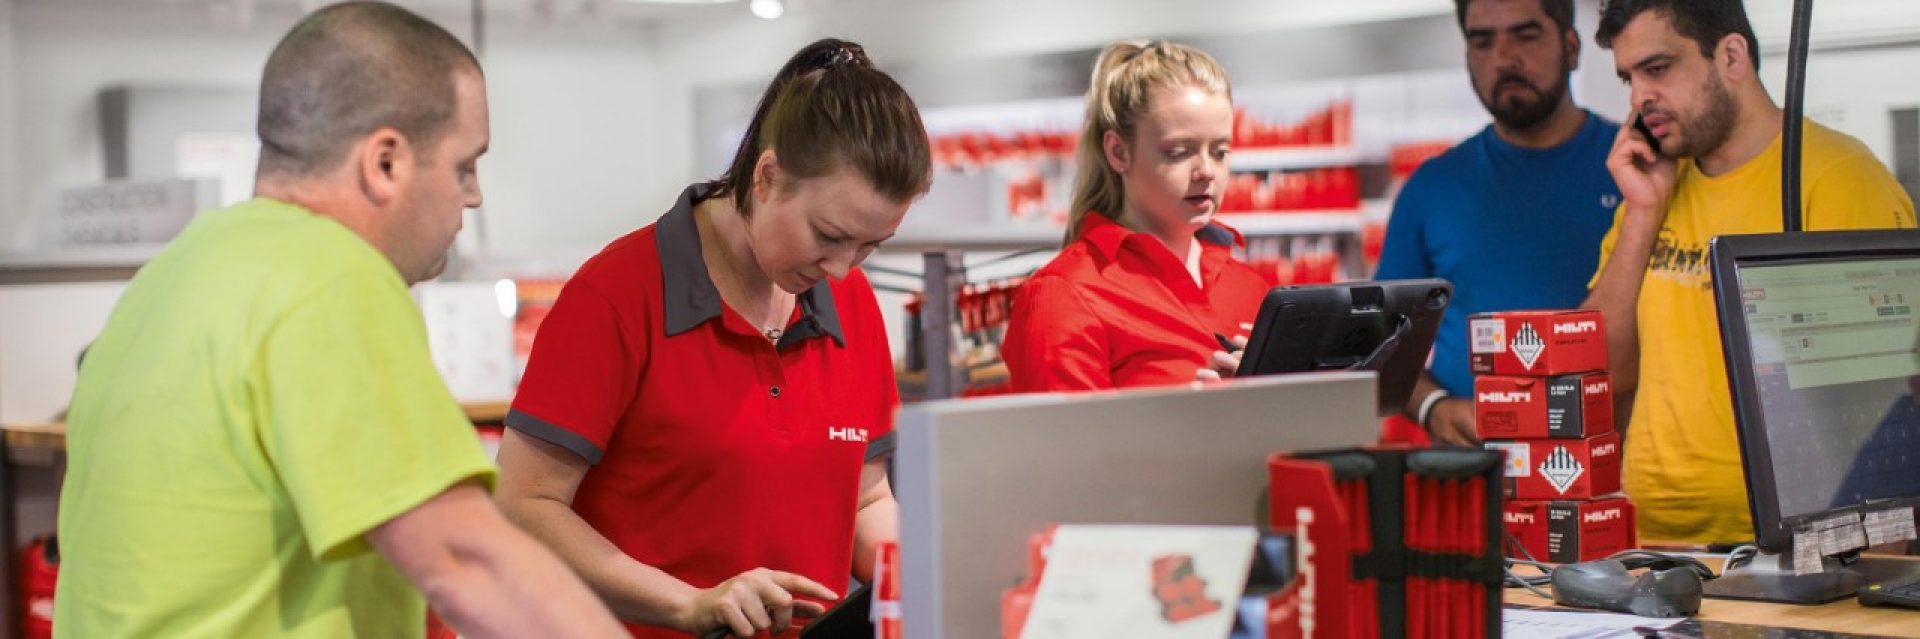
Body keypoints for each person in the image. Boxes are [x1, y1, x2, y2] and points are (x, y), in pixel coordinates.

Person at [53, 3, 624, 638]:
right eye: (465, 164)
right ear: (385, 164)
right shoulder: (329, 277)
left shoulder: (177, 271)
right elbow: (467, 562)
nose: (474, 195)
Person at [494, 39, 925, 638]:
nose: (844, 268)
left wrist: (926, 579)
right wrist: (687, 604)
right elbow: (522, 506)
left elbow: (866, 500)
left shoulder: (849, 303)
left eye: (869, 246)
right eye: (828, 235)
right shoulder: (616, 296)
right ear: (768, 176)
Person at [1587, 0, 1916, 543]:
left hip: (1790, 546)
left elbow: (1892, 407)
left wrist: (1874, 568)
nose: (1638, 97)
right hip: (1654, 544)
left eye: (1658, 69)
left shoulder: (1839, 178)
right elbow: (1600, 372)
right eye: (1629, 78)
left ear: (1732, 56)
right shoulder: (1650, 191)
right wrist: (1644, 212)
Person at [1376, 0, 1622, 446]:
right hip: (1475, 477)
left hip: (1612, 474)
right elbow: (1382, 342)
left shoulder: (1636, 170)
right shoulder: (1432, 188)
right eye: (1482, 41)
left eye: (1525, 35)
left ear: (1571, 47)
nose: (1503, 59)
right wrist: (1433, 407)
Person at [1002, 40, 1271, 392]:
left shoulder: (1255, 291)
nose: (1206, 170)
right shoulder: (1065, 296)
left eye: (1220, 152)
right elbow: (1064, 444)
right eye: (1178, 152)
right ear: (1118, 152)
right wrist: (1195, 419)